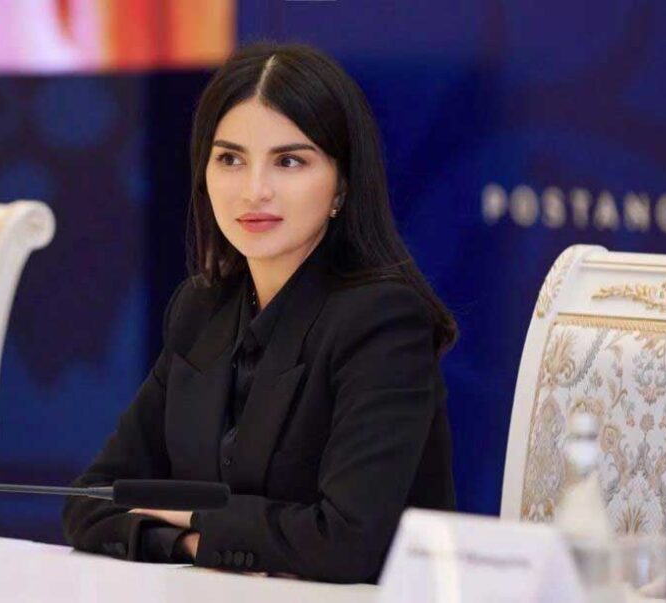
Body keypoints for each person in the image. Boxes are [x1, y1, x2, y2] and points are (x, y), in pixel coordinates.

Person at [62, 41, 457, 584]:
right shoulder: (201, 308)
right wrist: (190, 543)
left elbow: (348, 544)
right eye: (230, 159)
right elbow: (90, 501)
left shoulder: (383, 321)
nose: (254, 191)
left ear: (342, 184)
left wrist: (197, 523)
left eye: (289, 161)